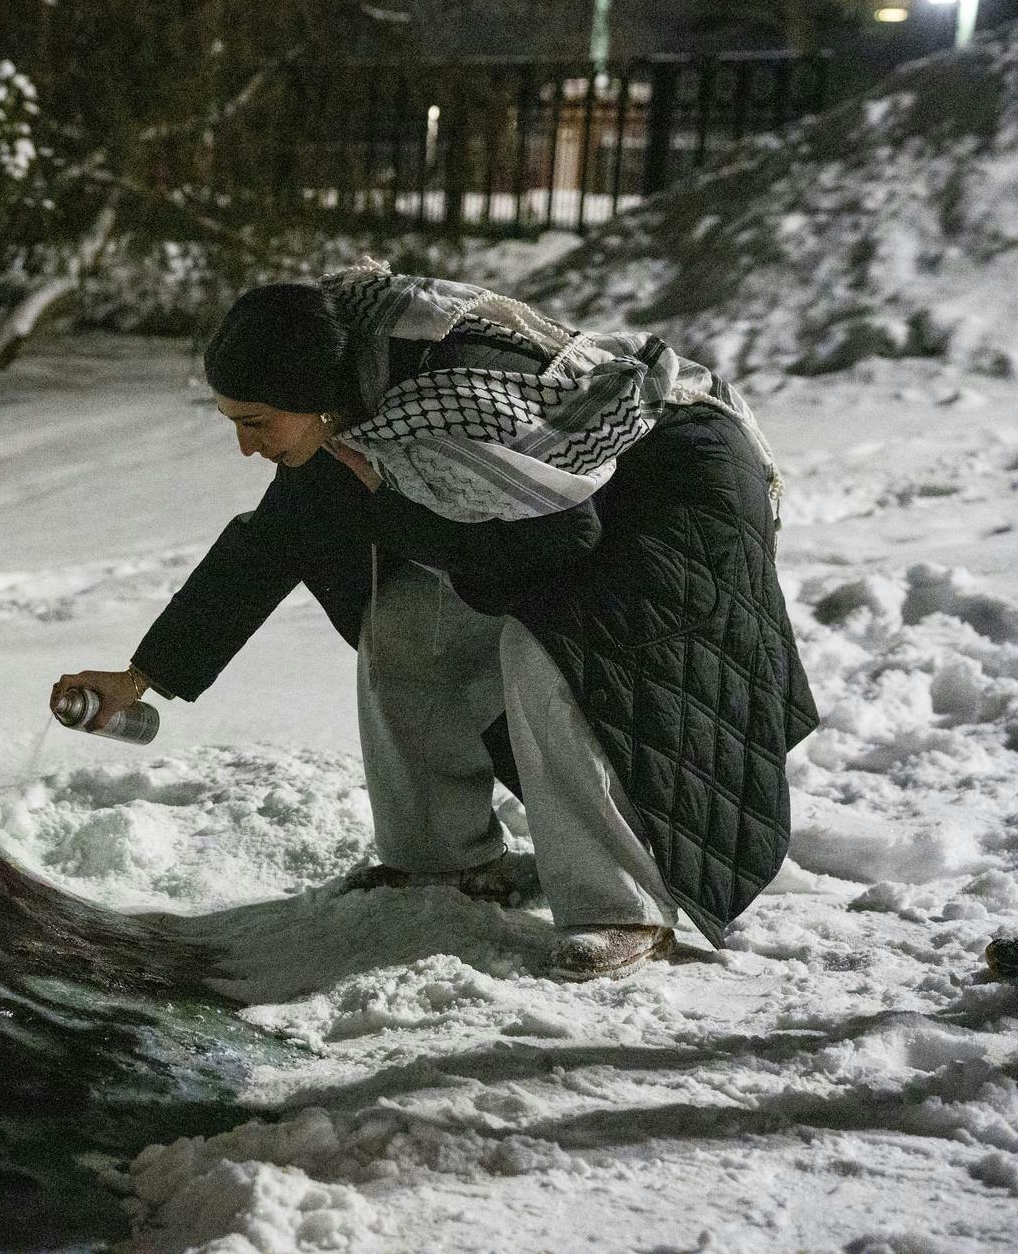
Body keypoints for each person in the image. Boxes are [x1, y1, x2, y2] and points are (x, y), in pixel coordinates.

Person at [52, 258, 817, 980]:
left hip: (676, 485)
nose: (246, 446)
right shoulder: (350, 401)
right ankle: (446, 859)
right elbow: (272, 544)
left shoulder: (449, 406)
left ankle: (624, 908)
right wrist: (140, 675)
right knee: (408, 621)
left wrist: (390, 505)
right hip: (569, 500)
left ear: (309, 398)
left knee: (544, 650)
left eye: (255, 422)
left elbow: (560, 538)